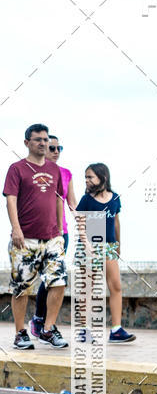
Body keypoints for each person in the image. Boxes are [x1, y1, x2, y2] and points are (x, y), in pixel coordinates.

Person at [3, 123, 68, 349]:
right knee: (22, 288)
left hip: (52, 238)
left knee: (59, 283)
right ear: (27, 143)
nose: (43, 143)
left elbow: (59, 198)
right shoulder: (17, 169)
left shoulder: (54, 170)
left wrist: (59, 229)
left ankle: (48, 329)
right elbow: (10, 198)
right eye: (38, 139)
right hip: (25, 239)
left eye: (45, 139)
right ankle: (21, 333)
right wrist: (16, 228)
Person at [76, 163, 136, 343]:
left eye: (90, 177)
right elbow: (80, 223)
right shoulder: (86, 200)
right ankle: (83, 330)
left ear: (103, 178)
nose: (87, 180)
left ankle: (116, 330)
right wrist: (86, 244)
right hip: (91, 244)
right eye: (85, 177)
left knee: (116, 286)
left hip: (109, 246)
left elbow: (116, 222)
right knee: (88, 288)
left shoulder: (114, 198)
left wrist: (118, 245)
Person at [30, 133, 76, 339]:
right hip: (38, 234)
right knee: (48, 278)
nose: (56, 152)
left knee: (54, 278)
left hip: (61, 234)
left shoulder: (65, 173)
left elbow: (73, 204)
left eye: (60, 149)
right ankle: (40, 321)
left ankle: (42, 322)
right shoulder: (31, 172)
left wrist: (98, 211)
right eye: (52, 148)